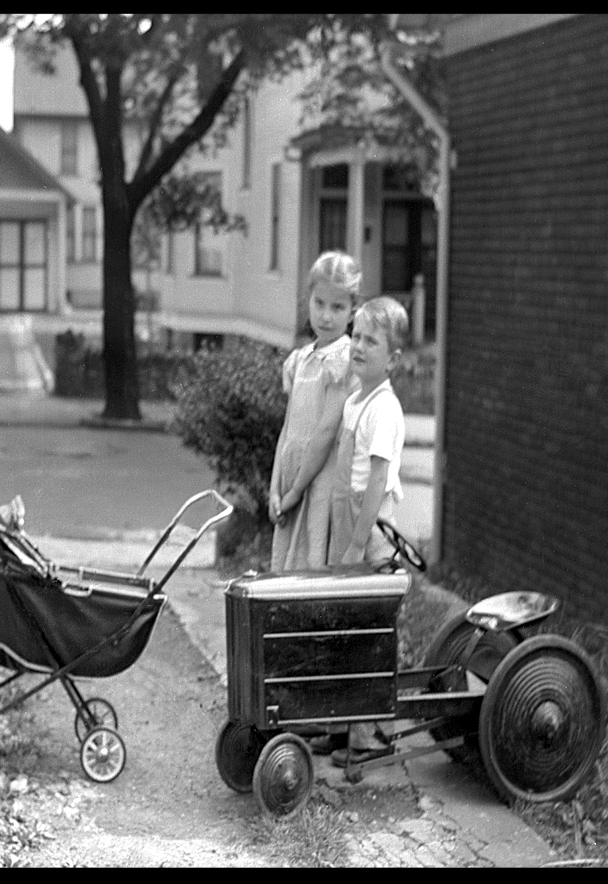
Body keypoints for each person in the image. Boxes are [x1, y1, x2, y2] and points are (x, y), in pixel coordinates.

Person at [308, 295, 410, 766]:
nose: (360, 346)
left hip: (367, 535)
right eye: (359, 335)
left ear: (392, 359)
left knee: (368, 631)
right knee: (339, 626)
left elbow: (373, 488)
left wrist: (353, 543)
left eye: (373, 340)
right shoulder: (354, 401)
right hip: (343, 526)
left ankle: (368, 735)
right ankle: (337, 722)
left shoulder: (384, 410)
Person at [268, 251, 361, 572]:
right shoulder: (300, 359)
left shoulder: (343, 360)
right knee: (285, 567)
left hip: (318, 480)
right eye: (319, 303)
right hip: (290, 478)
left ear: (352, 312)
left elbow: (324, 433)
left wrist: (295, 491)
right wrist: (275, 490)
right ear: (308, 300)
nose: (326, 316)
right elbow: (289, 428)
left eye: (337, 307)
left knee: (312, 562)